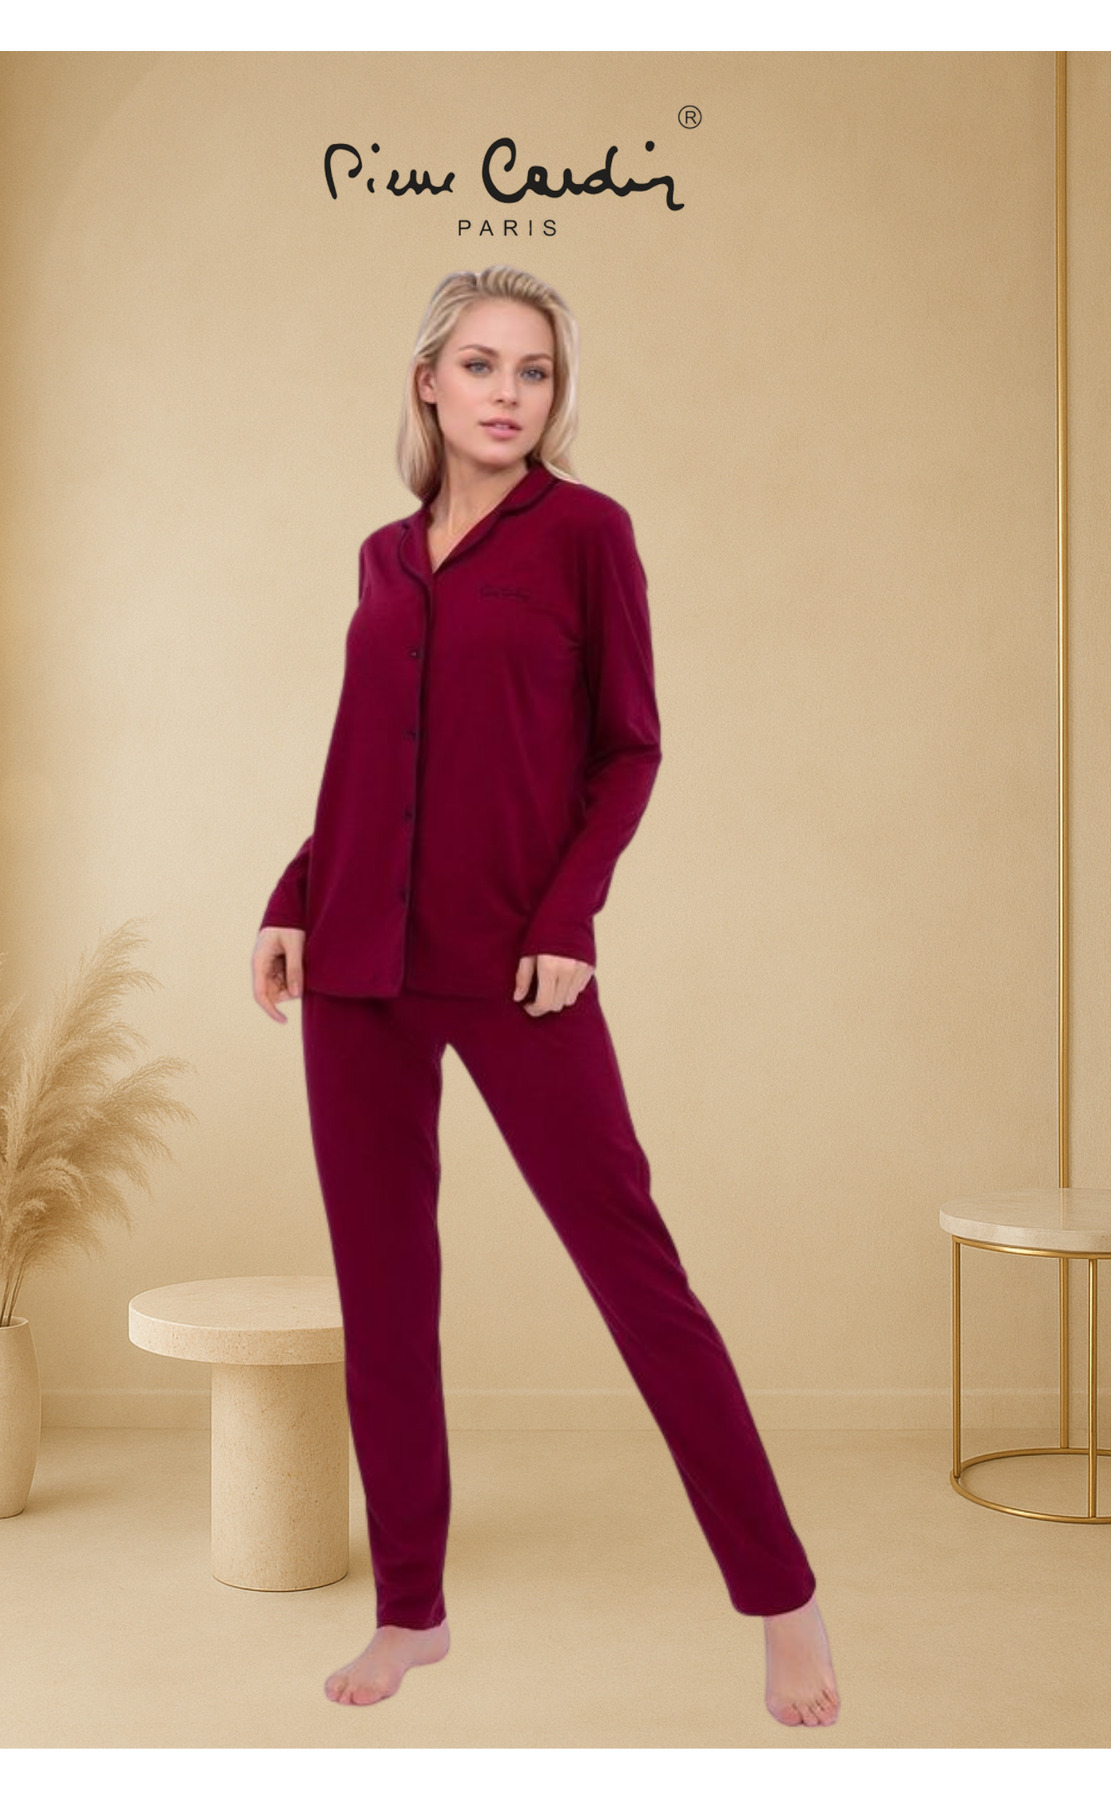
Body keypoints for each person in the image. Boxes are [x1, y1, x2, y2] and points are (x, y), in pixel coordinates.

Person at [251, 265, 840, 1726]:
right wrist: (291, 896)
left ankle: (785, 1602)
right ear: (428, 382)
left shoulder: (587, 536)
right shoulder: (385, 559)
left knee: (638, 1278)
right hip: (359, 966)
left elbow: (630, 747)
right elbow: (366, 760)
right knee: (387, 1298)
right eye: (480, 364)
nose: (508, 393)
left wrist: (570, 915)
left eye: (535, 371)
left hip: (518, 965)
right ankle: (412, 1613)